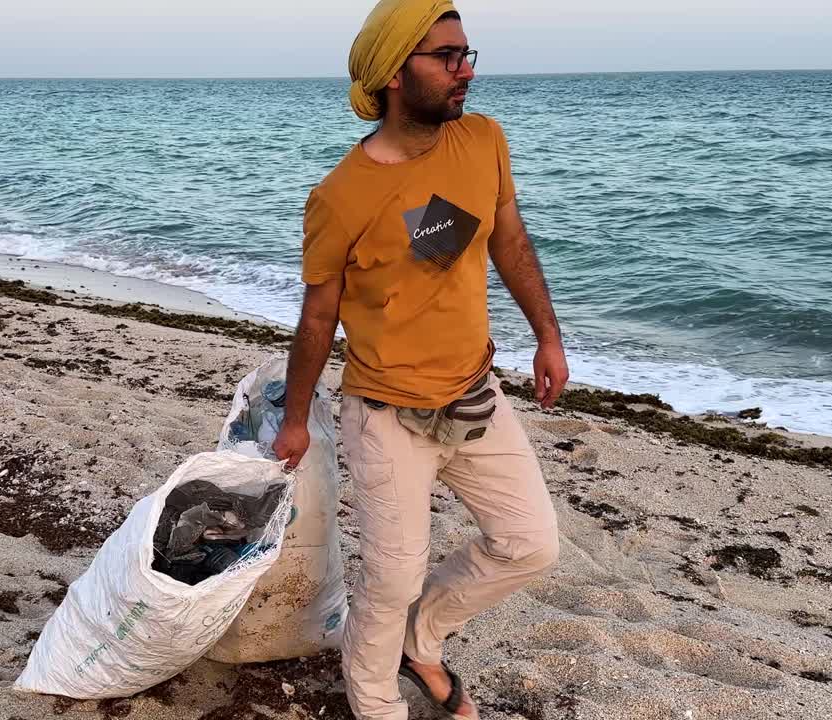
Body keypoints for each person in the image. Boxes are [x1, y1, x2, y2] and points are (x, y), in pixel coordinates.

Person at [270, 2, 569, 719]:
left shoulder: (484, 140)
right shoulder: (339, 197)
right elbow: (318, 316)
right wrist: (293, 419)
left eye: (469, 54)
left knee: (531, 545)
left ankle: (420, 640)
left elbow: (510, 242)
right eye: (447, 57)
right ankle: (376, 703)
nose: (466, 69)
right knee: (392, 577)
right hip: (385, 415)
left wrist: (548, 336)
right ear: (396, 75)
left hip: (474, 393)